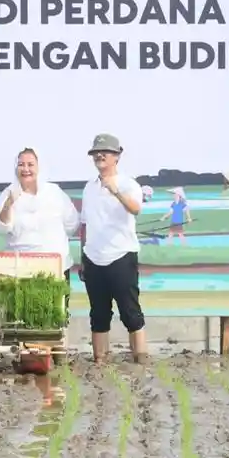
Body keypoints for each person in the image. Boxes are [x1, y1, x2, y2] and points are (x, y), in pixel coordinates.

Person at [79, 133, 148, 364]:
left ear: (117, 156)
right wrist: (83, 256)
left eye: (105, 152)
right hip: (93, 257)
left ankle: (140, 357)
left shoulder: (129, 184)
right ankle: (100, 359)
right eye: (96, 152)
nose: (100, 156)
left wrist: (115, 190)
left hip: (121, 255)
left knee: (130, 310)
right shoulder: (89, 187)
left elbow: (136, 209)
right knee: (98, 313)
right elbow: (85, 224)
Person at [0, 146, 79, 278]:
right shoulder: (8, 193)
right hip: (19, 270)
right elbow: (1, 228)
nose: (26, 169)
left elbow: (72, 224)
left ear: (39, 167)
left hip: (55, 269)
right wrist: (9, 204)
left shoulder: (54, 193)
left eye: (30, 164)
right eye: (21, 164)